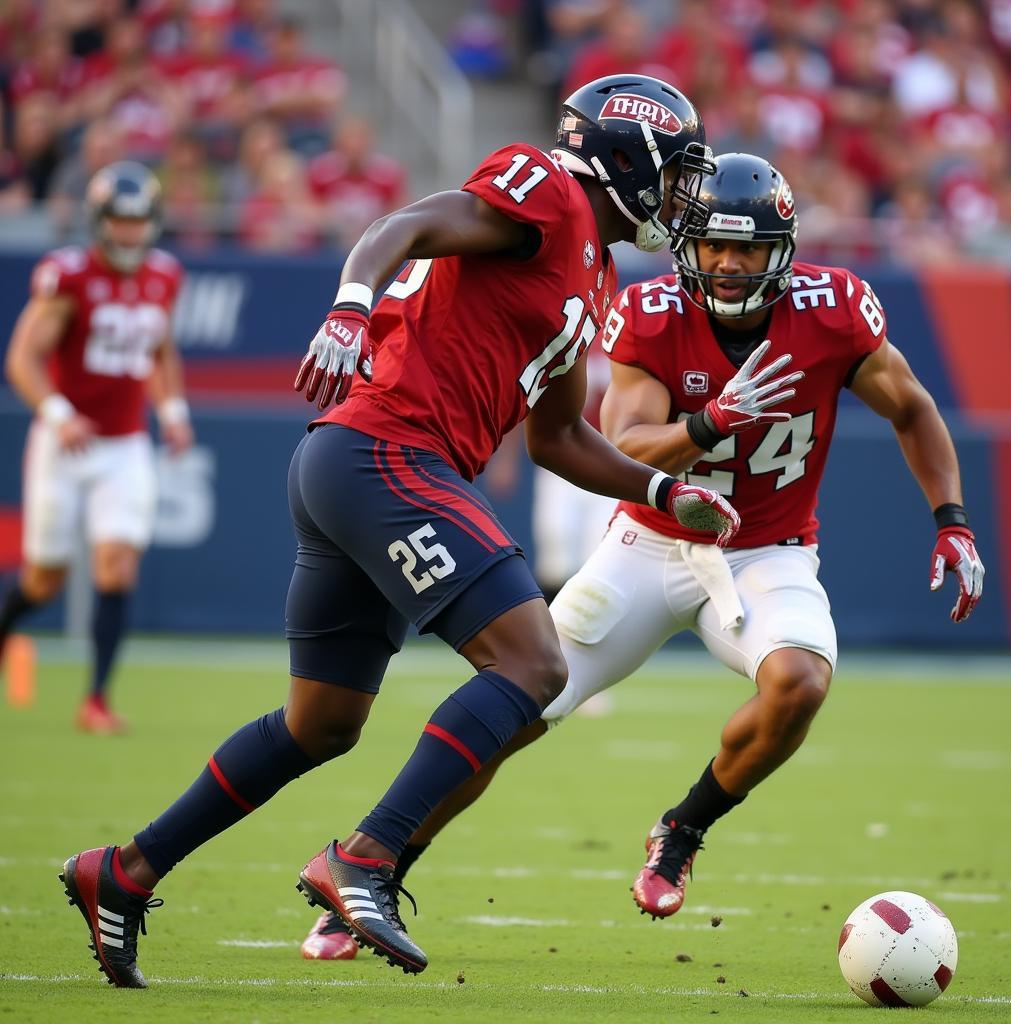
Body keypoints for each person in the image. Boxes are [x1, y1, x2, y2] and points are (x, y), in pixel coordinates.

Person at [58, 74, 740, 986]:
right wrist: (348, 303)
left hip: (369, 466)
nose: (681, 196)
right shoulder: (549, 188)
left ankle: (125, 871)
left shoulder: (596, 269)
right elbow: (409, 224)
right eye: (675, 172)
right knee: (535, 664)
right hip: (387, 450)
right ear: (625, 157)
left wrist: (661, 488)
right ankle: (366, 856)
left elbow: (561, 437)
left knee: (322, 722)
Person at [298, 151, 986, 958]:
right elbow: (625, 442)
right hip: (647, 546)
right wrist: (712, 422)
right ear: (686, 244)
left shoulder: (835, 310)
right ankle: (376, 865)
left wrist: (953, 518)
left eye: (750, 249)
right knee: (513, 712)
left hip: (768, 549)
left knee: (798, 684)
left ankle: (683, 828)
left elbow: (912, 407)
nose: (729, 266)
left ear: (784, 250)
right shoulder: (652, 311)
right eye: (715, 247)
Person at [0, 160, 194, 734]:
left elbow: (160, 349)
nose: (131, 232)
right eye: (120, 220)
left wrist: (173, 411)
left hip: (125, 444)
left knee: (116, 567)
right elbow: (22, 358)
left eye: (139, 221)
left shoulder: (163, 275)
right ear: (99, 220)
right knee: (43, 579)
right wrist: (60, 415)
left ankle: (97, 700)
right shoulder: (69, 275)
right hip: (65, 445)